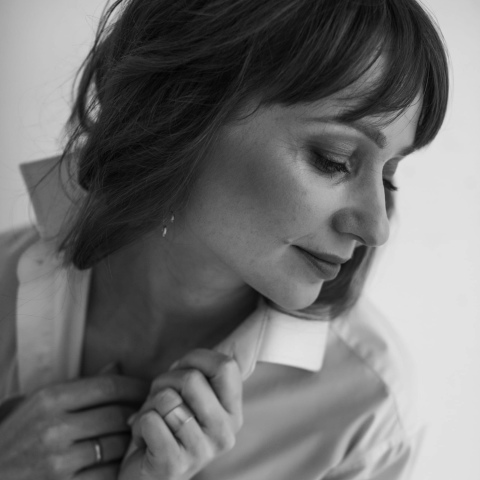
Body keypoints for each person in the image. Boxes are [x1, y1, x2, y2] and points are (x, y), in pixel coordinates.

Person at [0, 0, 449, 478]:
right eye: (333, 159)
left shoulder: (368, 415)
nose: (377, 229)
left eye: (389, 176)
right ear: (179, 110)